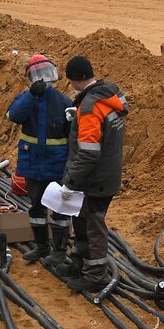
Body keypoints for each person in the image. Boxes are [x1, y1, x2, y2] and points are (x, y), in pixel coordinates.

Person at [51, 55, 127, 293]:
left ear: (75, 81)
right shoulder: (110, 95)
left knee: (93, 225)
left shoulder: (90, 108)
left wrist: (70, 183)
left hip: (95, 180)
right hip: (108, 172)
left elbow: (88, 153)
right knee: (81, 219)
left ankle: (95, 275)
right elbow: (104, 131)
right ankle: (80, 261)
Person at [6, 54, 72, 266]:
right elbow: (15, 115)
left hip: (56, 165)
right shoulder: (25, 99)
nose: (42, 79)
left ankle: (59, 250)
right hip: (33, 164)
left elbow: (72, 136)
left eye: (45, 74)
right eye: (38, 75)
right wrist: (31, 96)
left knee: (60, 209)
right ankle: (41, 246)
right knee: (36, 207)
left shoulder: (63, 102)